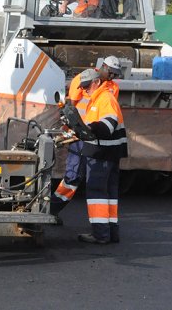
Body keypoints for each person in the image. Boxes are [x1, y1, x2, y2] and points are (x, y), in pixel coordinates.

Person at [51, 56, 122, 222]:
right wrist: (67, 130)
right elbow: (69, 107)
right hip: (78, 136)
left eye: (115, 74)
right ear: (103, 67)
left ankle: (53, 209)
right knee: (72, 176)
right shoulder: (83, 80)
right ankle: (53, 208)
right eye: (110, 72)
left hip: (94, 138)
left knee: (96, 182)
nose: (112, 76)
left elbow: (107, 116)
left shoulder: (113, 88)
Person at [76, 68, 128, 244]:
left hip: (102, 154)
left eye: (87, 86)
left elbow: (107, 126)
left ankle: (100, 233)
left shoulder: (105, 98)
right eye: (82, 87)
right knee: (110, 194)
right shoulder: (99, 98)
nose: (84, 90)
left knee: (97, 192)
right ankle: (111, 232)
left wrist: (89, 129)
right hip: (109, 153)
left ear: (96, 82)